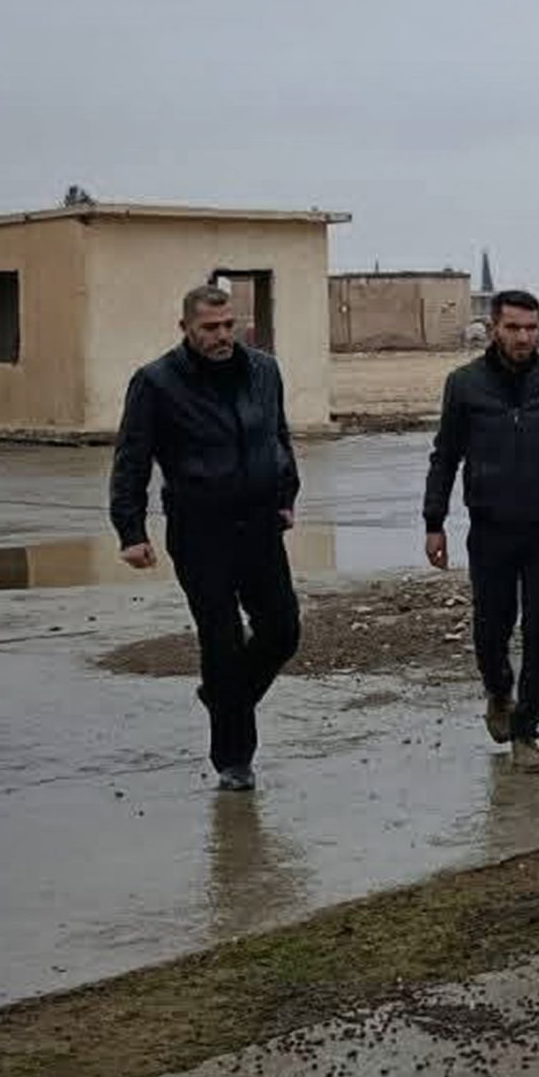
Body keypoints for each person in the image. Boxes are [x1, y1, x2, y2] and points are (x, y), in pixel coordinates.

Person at [110, 284, 304, 791]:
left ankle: (222, 697)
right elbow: (132, 459)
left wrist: (286, 493)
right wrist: (131, 530)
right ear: (186, 329)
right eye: (210, 328)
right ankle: (234, 760)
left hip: (260, 524)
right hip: (200, 531)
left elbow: (277, 437)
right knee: (221, 640)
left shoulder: (264, 370)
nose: (222, 336)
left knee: (283, 631)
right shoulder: (156, 382)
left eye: (228, 325)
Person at [421, 289, 539, 771]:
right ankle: (498, 691)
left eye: (531, 328)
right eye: (513, 328)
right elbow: (445, 456)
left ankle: (526, 730)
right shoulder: (464, 384)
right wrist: (434, 522)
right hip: (490, 526)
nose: (524, 337)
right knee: (491, 627)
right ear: (494, 329)